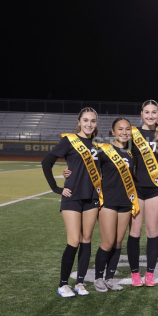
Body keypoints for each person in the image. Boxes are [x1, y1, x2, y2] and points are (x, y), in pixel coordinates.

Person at [41, 107, 100, 297]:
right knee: (73, 241)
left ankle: (80, 283)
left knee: (86, 240)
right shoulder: (69, 140)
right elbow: (46, 162)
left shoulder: (97, 146)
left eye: (92, 121)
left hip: (92, 197)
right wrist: (56, 188)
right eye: (85, 120)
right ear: (79, 122)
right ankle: (63, 284)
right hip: (72, 196)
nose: (89, 124)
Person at [93, 118, 140, 293]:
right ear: (113, 132)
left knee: (118, 242)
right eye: (120, 129)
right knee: (108, 241)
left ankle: (109, 279)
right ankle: (98, 278)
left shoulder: (131, 154)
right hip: (108, 203)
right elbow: (90, 170)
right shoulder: (104, 150)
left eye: (127, 129)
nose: (124, 132)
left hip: (125, 202)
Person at [128, 100, 158, 287]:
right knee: (135, 232)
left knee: (152, 231)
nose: (150, 115)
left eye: (154, 112)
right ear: (141, 113)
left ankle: (150, 273)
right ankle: (135, 273)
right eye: (147, 112)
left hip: (155, 189)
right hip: (136, 188)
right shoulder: (132, 133)